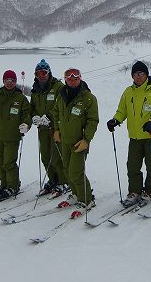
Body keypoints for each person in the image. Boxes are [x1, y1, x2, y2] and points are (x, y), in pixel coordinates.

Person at [107, 61, 151, 207]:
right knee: (132, 166)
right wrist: (115, 120)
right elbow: (122, 110)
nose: (138, 76)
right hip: (134, 137)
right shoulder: (128, 92)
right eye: (135, 74)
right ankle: (135, 191)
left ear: (146, 74)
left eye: (141, 73)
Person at [0, 69, 32, 202]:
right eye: (7, 80)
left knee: (9, 163)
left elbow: (27, 114)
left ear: (15, 82)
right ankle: (4, 184)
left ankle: (13, 186)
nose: (9, 83)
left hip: (13, 136)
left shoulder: (20, 98)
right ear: (3, 81)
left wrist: (26, 124)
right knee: (0, 163)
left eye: (12, 81)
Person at [51, 68, 99, 210]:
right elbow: (56, 112)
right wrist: (57, 129)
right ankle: (76, 194)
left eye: (75, 79)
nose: (72, 82)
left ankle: (86, 199)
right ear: (65, 80)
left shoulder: (88, 98)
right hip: (65, 140)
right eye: (69, 79)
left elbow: (93, 121)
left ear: (80, 79)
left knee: (76, 172)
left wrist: (86, 139)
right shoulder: (62, 95)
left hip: (79, 142)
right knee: (66, 170)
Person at [29, 59, 68, 196]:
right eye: (38, 73)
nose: (41, 76)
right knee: (45, 156)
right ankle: (53, 180)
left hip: (56, 127)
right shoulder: (35, 90)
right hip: (42, 128)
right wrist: (34, 116)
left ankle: (63, 181)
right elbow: (32, 107)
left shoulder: (58, 87)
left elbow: (63, 106)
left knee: (57, 156)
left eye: (44, 73)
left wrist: (50, 117)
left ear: (49, 73)